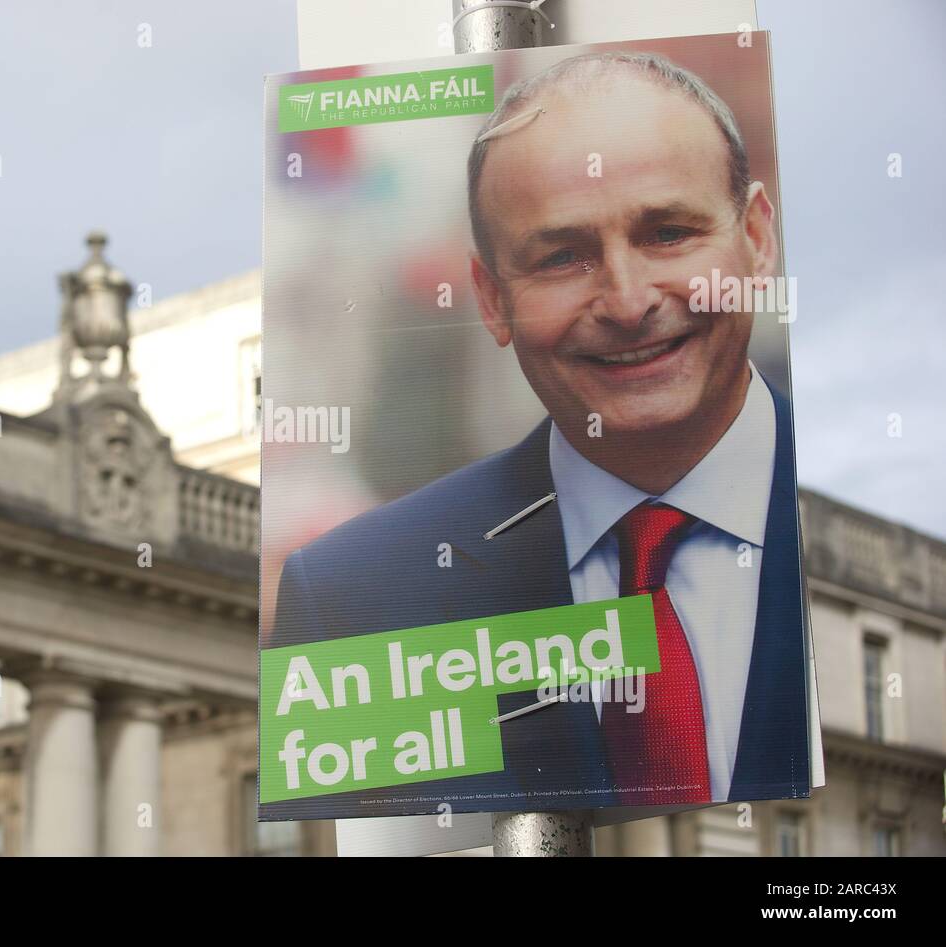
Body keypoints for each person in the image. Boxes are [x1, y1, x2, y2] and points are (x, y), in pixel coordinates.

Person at [268, 52, 809, 816]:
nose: (627, 301)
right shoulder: (356, 604)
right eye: (562, 257)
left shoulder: (860, 498)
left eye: (668, 233)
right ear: (490, 299)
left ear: (758, 236)